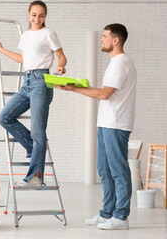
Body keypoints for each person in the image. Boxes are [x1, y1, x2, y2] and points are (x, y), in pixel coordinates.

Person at [57, 23, 136, 230]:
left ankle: (121, 217)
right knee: (104, 169)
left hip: (116, 124)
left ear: (115, 40)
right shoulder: (115, 63)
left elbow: (104, 94)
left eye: (105, 36)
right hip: (106, 123)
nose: (102, 39)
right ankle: (107, 213)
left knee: (118, 170)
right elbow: (105, 93)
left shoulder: (121, 63)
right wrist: (79, 86)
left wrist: (74, 89)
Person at [0, 0, 67, 187]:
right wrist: (2, 50)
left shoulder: (48, 34)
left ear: (45, 16)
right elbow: (23, 59)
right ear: (29, 14)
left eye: (41, 15)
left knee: (37, 131)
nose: (37, 18)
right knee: (4, 117)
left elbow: (61, 56)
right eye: (34, 14)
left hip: (42, 81)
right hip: (27, 81)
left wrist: (60, 66)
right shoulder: (26, 36)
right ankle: (33, 148)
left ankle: (35, 177)